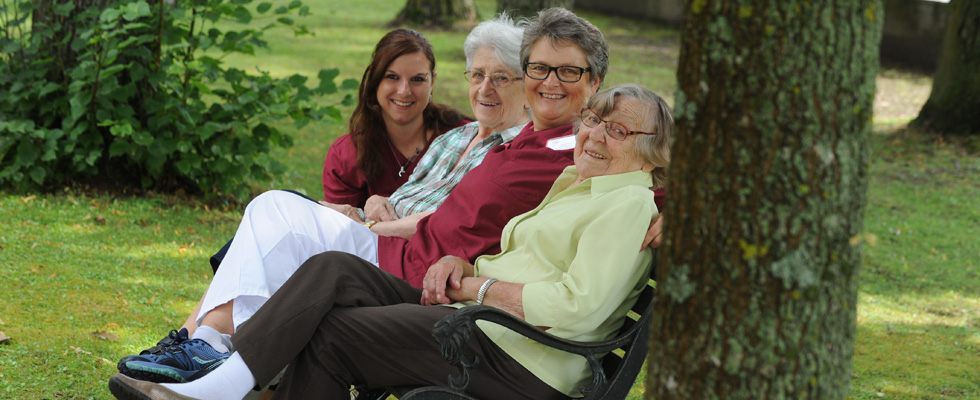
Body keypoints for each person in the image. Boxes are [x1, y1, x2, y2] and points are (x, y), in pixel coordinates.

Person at [108, 82, 673, 400]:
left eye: (618, 130)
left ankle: (222, 387)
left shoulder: (627, 203)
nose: (595, 135)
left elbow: (576, 308)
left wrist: (474, 287)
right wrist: (461, 265)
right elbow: (528, 261)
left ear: (652, 150)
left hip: (520, 358)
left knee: (332, 333)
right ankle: (226, 379)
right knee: (333, 269)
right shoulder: (579, 184)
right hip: (479, 323)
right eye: (592, 120)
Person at [117, 16, 532, 384]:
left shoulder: (511, 152)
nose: (485, 87)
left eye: (501, 77)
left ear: (526, 85)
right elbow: (411, 198)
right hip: (375, 234)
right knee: (269, 220)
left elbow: (443, 219)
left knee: (271, 211)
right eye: (478, 75)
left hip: (398, 254)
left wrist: (369, 224)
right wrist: (372, 204)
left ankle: (204, 343)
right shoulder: (456, 136)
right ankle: (202, 342)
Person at [320, 29, 467, 208]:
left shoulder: (466, 138)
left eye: (417, 79)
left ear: (432, 82)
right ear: (375, 79)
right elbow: (342, 225)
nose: (404, 91)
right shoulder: (345, 156)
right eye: (392, 77)